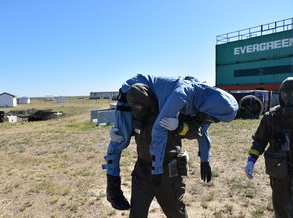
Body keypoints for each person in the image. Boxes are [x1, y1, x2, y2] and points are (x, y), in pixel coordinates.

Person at [103, 74, 238, 217]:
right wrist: (120, 132)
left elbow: (197, 131)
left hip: (169, 170)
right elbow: (126, 134)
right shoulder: (139, 107)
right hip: (143, 169)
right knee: (137, 214)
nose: (138, 109)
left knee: (175, 213)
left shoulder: (180, 104)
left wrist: (180, 128)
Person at [245, 77, 293, 218]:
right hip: (280, 172)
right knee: (281, 206)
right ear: (281, 94)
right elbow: (260, 140)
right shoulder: (271, 117)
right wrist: (251, 160)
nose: (289, 98)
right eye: (285, 94)